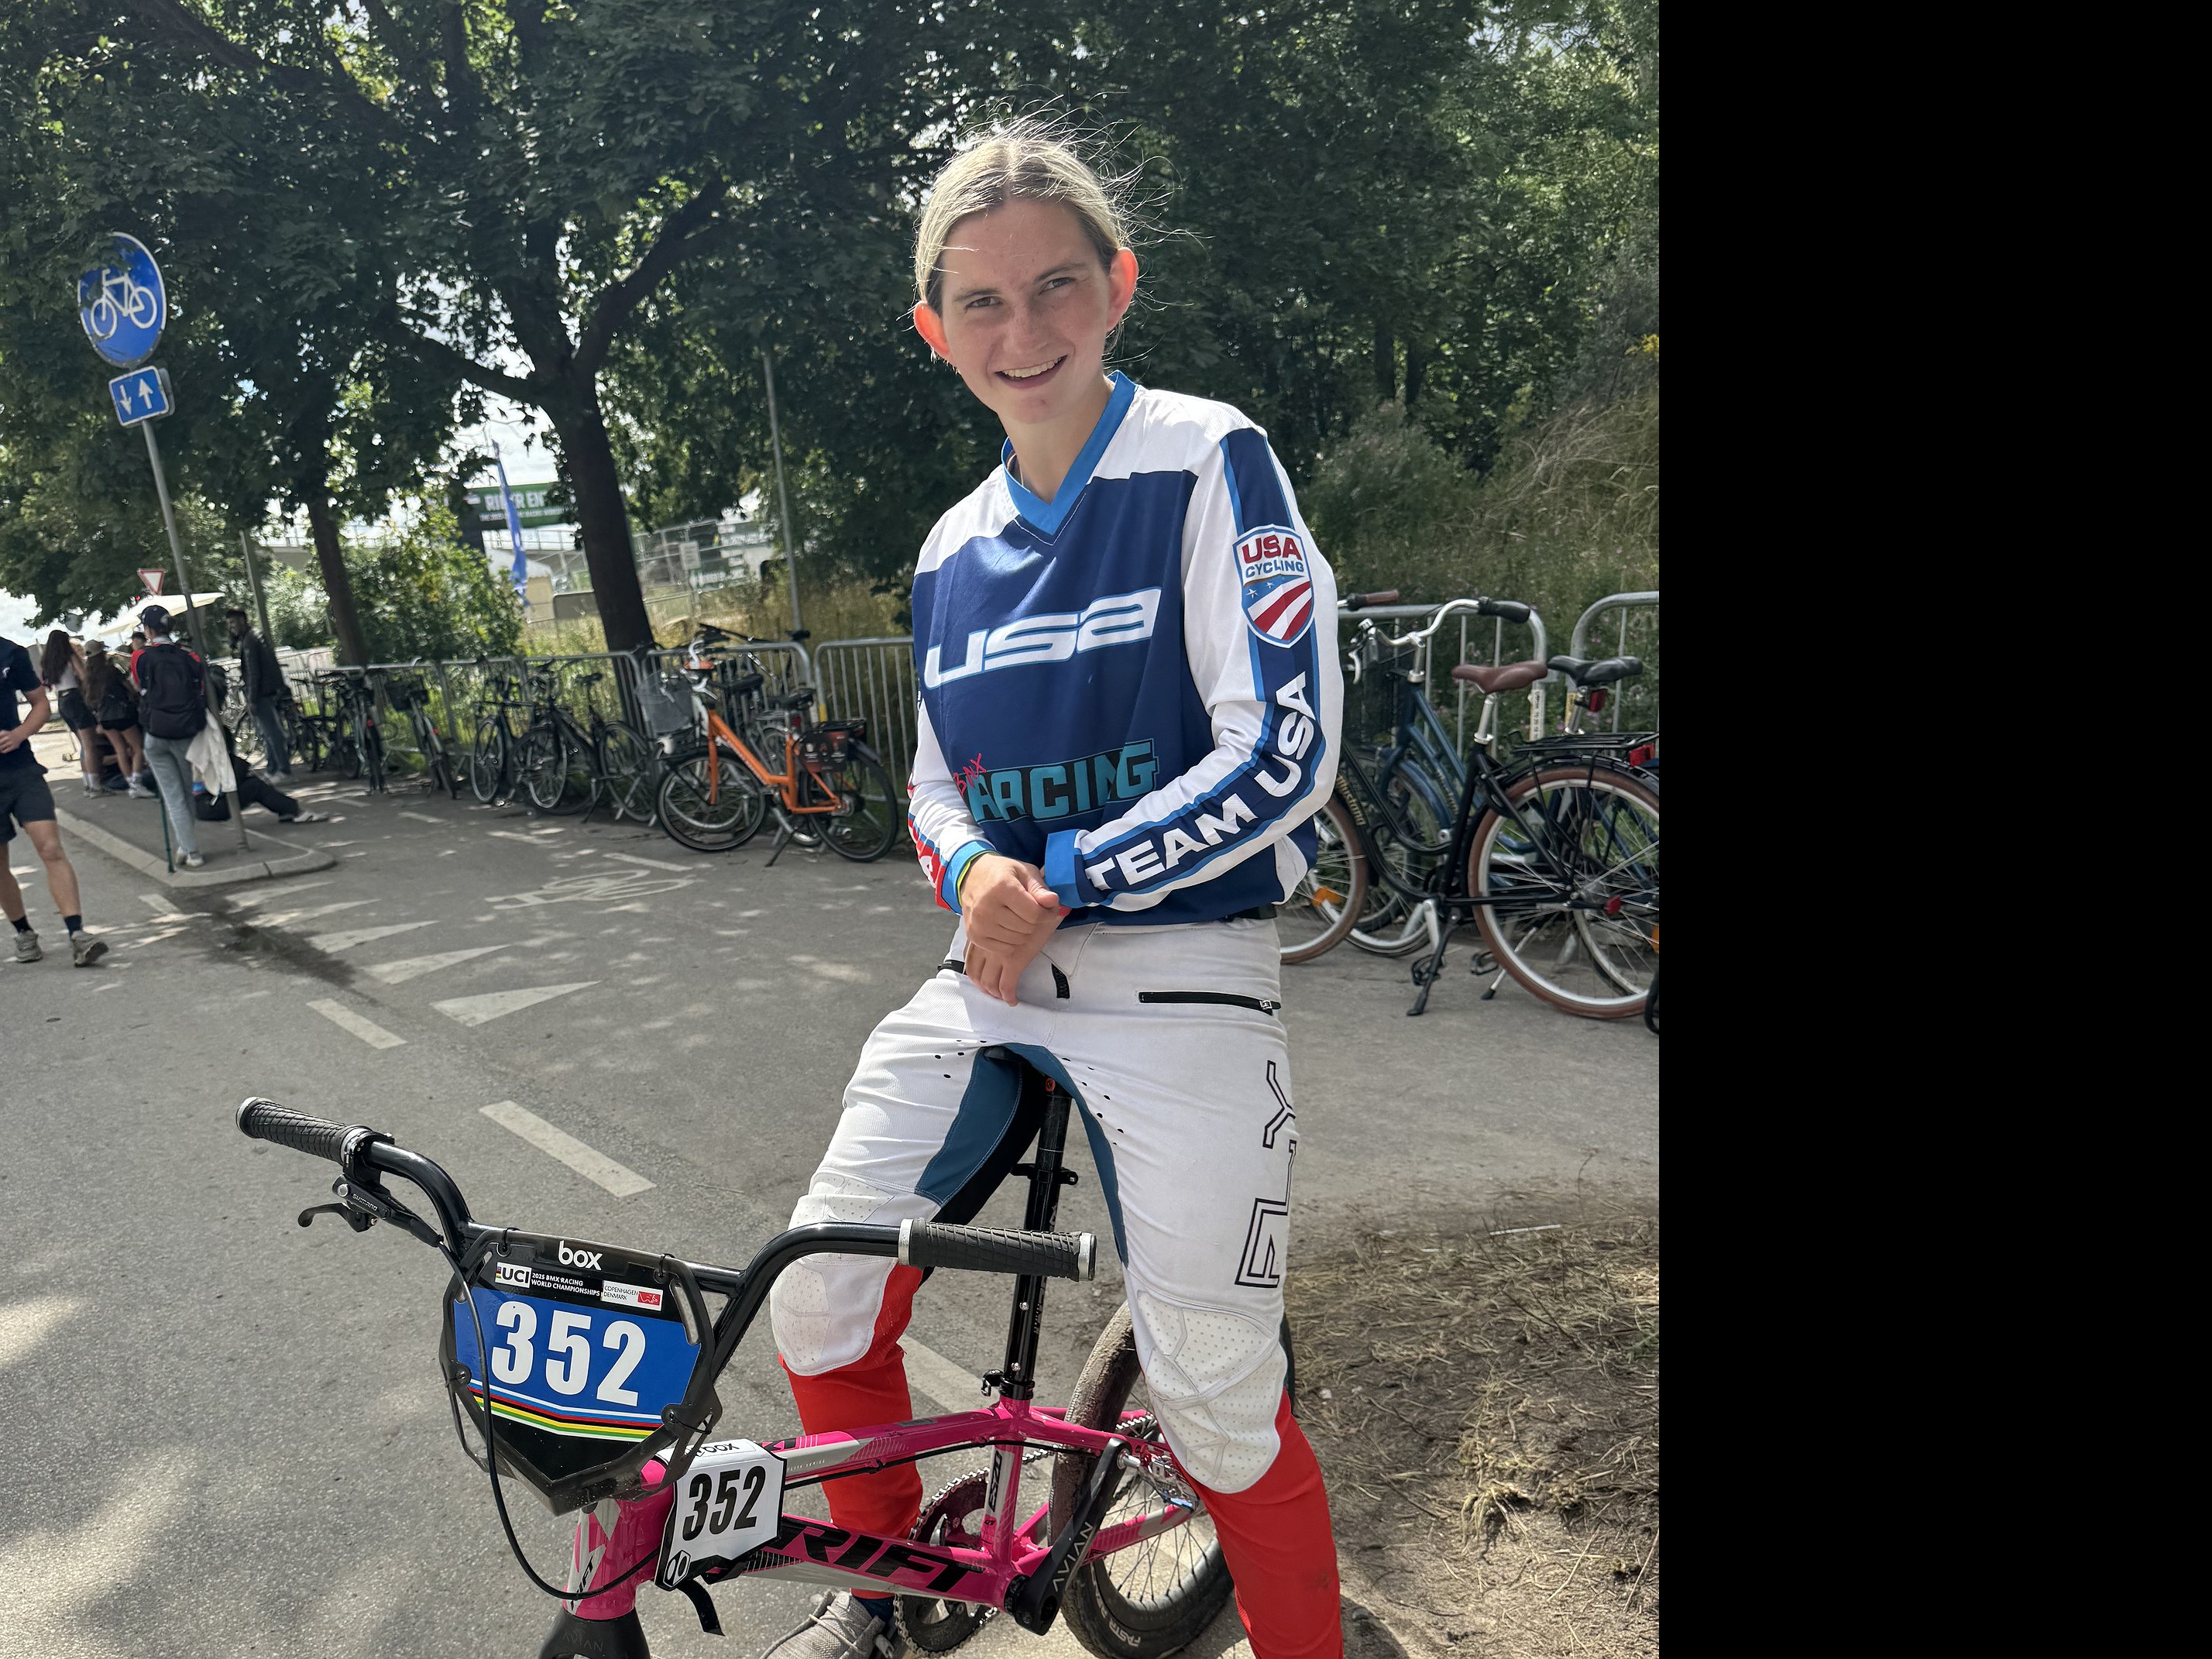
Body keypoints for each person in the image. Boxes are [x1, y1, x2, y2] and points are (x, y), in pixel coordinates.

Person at [695, 125, 1345, 1659]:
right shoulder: (947, 551)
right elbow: (934, 788)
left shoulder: (1209, 458)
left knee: (1219, 1400)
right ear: (936, 330)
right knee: (815, 1299)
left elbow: (1287, 750)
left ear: (1118, 286)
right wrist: (977, 868)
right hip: (989, 982)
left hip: (1184, 973)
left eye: (1057, 285)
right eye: (981, 301)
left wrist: (1064, 875)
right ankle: (887, 1596)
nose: (1024, 328)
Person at [2, 632, 107, 965]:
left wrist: (19, 734)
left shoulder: (9, 652)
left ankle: (78, 934)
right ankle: (24, 933)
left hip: (21, 771)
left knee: (50, 848)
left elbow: (40, 704)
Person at [129, 605, 209, 870]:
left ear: (148, 630)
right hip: (186, 731)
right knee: (187, 792)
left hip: (156, 733)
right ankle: (188, 847)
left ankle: (190, 850)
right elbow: (201, 687)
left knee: (173, 796)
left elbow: (139, 685)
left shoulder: (141, 657)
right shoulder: (190, 657)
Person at [225, 606, 292, 777]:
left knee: (271, 732)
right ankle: (273, 767)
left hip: (262, 693)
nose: (231, 627)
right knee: (269, 732)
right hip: (271, 690)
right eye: (229, 624)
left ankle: (282, 769)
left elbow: (254, 672)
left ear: (242, 620)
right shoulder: (255, 635)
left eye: (233, 622)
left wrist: (252, 699)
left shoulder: (249, 641)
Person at [78, 641, 149, 796]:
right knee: (138, 748)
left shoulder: (88, 677)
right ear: (102, 653)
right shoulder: (111, 670)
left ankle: (130, 782)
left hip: (104, 718)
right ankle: (136, 782)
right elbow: (129, 688)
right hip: (121, 714)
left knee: (120, 750)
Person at [39, 630, 101, 797]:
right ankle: (96, 787)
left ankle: (88, 784)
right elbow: (84, 676)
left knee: (82, 744)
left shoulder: (47, 662)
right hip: (75, 697)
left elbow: (46, 684)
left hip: (62, 699)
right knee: (90, 745)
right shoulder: (69, 656)